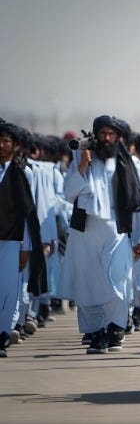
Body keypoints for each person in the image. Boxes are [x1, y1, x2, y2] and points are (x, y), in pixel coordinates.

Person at [63, 115, 140, 354]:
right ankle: (97, 332)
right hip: (87, 230)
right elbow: (68, 193)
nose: (107, 138)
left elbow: (137, 203)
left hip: (116, 230)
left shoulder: (125, 162)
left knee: (117, 281)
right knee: (88, 283)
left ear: (118, 137)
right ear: (96, 136)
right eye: (102, 134)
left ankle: (115, 327)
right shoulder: (82, 158)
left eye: (111, 134)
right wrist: (81, 167)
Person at [0, 122, 46, 357]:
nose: (1, 145)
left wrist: (26, 247)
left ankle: (3, 334)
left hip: (13, 240)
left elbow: (29, 212)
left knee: (8, 290)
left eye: (6, 141)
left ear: (15, 145)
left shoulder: (22, 173)